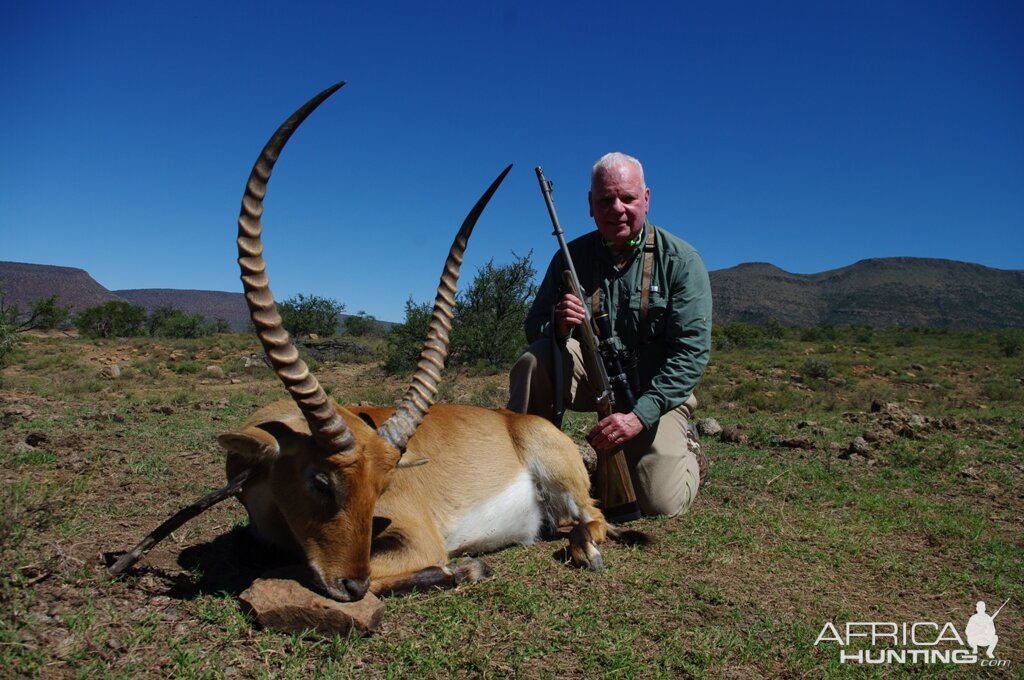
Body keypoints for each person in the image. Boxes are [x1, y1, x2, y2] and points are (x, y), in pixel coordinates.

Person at [508, 152, 712, 517]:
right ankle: (520, 471)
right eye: (605, 200)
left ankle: (691, 454)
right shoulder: (569, 258)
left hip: (656, 396)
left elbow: (690, 354)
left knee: (658, 502)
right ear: (590, 205)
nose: (616, 208)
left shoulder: (681, 261)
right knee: (534, 360)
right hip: (594, 382)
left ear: (646, 199)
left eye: (628, 198)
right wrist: (557, 325)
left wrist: (638, 416)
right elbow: (533, 327)